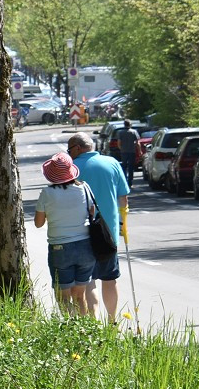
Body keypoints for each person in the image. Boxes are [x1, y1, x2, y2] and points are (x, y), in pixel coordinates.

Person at [67, 133, 130, 323]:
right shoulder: (112, 163)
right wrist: (122, 224)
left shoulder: (72, 169)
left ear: (78, 148)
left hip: (81, 233)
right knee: (110, 279)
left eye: (69, 150)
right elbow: (123, 199)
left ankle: (93, 324)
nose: (69, 154)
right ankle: (112, 323)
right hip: (108, 232)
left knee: (88, 281)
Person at [33, 152, 95, 316]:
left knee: (63, 297)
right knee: (80, 296)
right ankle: (84, 332)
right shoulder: (84, 188)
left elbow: (38, 223)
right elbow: (92, 213)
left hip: (60, 249)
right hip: (85, 247)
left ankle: (69, 331)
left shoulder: (47, 194)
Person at [117, 119, 141, 187]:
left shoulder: (120, 132)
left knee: (124, 167)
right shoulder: (134, 132)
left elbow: (119, 142)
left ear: (124, 124)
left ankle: (124, 181)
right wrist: (139, 151)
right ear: (130, 124)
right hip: (132, 151)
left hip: (124, 152)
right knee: (131, 167)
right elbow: (137, 143)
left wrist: (121, 149)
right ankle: (130, 182)